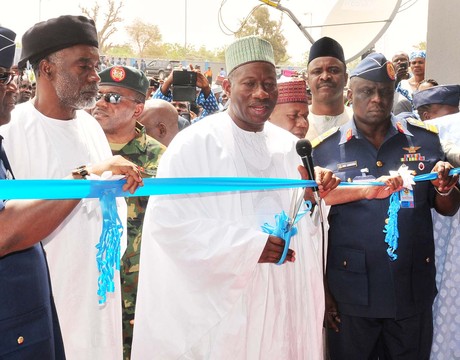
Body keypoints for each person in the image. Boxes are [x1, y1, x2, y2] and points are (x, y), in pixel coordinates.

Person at [131, 35, 403, 360]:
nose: (262, 93)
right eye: (249, 83)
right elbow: (168, 227)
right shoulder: (194, 144)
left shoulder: (290, 146)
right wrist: (248, 247)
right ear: (228, 87)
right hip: (226, 315)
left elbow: (311, 222)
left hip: (282, 302)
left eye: (269, 83)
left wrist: (312, 198)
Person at [0, 15, 144, 360]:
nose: (96, 76)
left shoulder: (92, 128)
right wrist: (89, 177)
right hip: (43, 304)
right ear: (46, 68)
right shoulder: (14, 129)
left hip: (99, 298)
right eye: (84, 65)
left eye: (96, 65)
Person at [312, 53, 460, 359]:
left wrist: (445, 189)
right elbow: (314, 230)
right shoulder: (324, 150)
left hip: (410, 291)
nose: (377, 99)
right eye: (368, 91)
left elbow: (446, 206)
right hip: (351, 298)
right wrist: (323, 292)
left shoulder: (424, 141)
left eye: (385, 91)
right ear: (351, 95)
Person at [92, 64, 165, 359]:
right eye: (98, 95)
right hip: (88, 285)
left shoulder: (161, 159)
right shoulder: (82, 152)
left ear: (137, 109)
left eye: (112, 98)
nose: (100, 103)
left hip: (139, 293)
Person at [305, 36, 352, 140]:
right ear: (307, 80)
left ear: (345, 78)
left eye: (334, 70)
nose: (325, 77)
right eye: (317, 71)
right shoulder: (297, 124)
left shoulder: (359, 123)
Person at [152, 68, 219, 121]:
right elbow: (152, 109)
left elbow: (213, 114)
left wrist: (206, 88)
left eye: (182, 106)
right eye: (173, 105)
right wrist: (168, 82)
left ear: (189, 109)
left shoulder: (196, 125)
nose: (177, 109)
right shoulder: (162, 125)